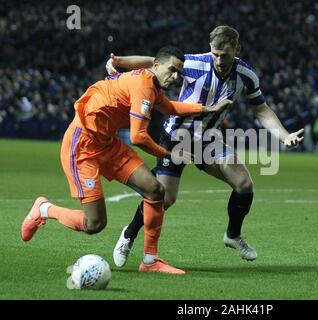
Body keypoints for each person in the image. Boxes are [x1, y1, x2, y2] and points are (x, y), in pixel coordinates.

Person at [21, 46, 232, 275]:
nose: (174, 77)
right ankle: (44, 209)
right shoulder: (142, 86)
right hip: (82, 146)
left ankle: (150, 261)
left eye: (178, 73)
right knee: (95, 224)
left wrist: (206, 108)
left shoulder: (151, 86)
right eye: (171, 70)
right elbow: (138, 138)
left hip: (107, 143)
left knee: (155, 190)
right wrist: (169, 155)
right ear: (155, 65)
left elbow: (169, 107)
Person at [107, 26, 304, 268]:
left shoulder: (246, 75)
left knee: (244, 184)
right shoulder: (195, 63)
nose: (219, 60)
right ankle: (129, 234)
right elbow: (153, 61)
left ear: (237, 49)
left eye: (225, 55)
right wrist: (118, 61)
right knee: (165, 198)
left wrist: (284, 137)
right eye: (215, 54)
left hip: (209, 139)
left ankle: (233, 235)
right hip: (177, 136)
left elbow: (261, 109)